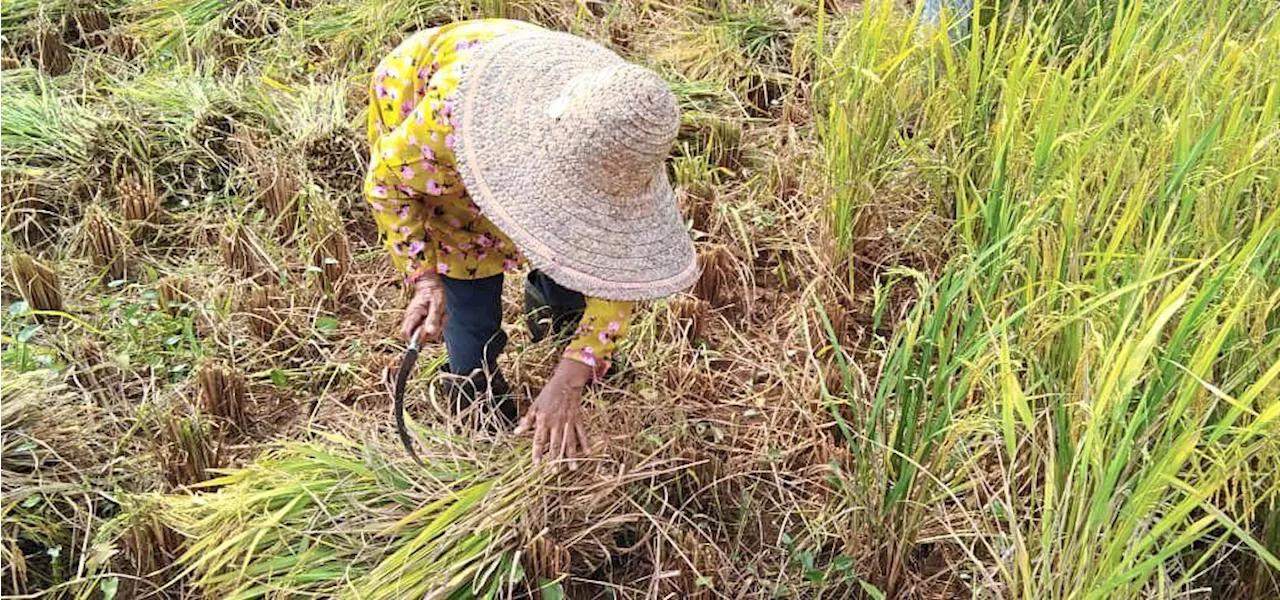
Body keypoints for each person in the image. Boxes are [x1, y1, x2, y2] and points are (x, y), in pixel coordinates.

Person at [365, 20, 697, 466]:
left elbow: (618, 279)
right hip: (442, 109)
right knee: (469, 297)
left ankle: (557, 316)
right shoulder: (445, 126)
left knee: (575, 257)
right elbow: (388, 185)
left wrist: (575, 372)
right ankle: (473, 389)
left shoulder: (621, 133)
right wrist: (424, 277)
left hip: (546, 116)